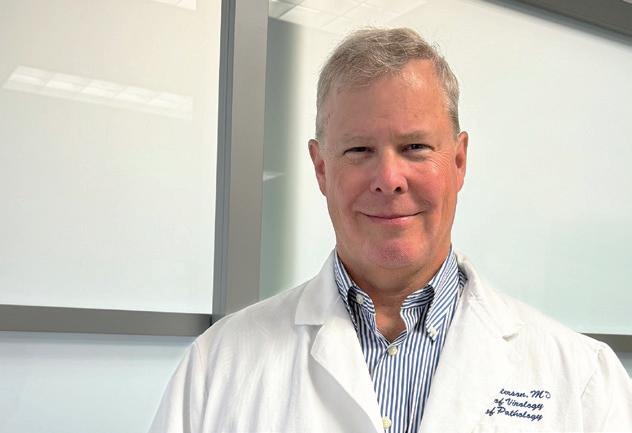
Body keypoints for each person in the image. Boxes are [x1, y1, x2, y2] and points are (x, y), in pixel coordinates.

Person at [149, 28, 632, 433]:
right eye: (359, 150)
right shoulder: (218, 366)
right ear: (321, 169)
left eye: (416, 147)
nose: (388, 179)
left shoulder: (583, 379)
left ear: (458, 161)